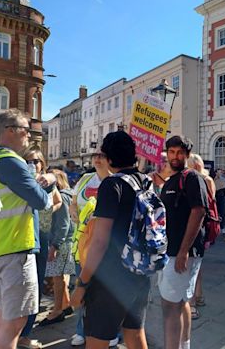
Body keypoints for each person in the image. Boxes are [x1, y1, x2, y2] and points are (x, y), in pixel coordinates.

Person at [70, 131, 150, 349]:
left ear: (109, 157)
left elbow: (99, 241)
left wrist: (82, 283)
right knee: (135, 335)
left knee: (97, 340)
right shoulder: (144, 181)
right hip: (139, 272)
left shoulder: (111, 185)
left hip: (111, 277)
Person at [0, 109, 57, 349]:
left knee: (2, 318)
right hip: (15, 248)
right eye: (26, 130)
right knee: (14, 321)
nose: (29, 136)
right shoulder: (9, 161)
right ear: (10, 131)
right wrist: (50, 181)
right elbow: (41, 201)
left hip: (1, 246)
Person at [159, 135, 208, 349]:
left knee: (170, 307)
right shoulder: (172, 180)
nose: (175, 156)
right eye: (171, 152)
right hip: (169, 250)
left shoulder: (192, 178)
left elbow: (198, 212)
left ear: (187, 155)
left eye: (180, 152)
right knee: (180, 302)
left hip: (181, 252)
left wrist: (183, 251)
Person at [68, 150, 115, 347]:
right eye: (95, 155)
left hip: (108, 245)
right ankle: (82, 329)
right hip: (83, 244)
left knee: (107, 292)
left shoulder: (115, 181)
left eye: (103, 155)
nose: (98, 158)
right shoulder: (86, 178)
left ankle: (111, 332)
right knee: (83, 288)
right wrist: (74, 215)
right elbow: (73, 201)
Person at [18, 147, 62, 349]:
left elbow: (58, 201)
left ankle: (25, 333)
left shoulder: (47, 183)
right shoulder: (21, 180)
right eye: (29, 160)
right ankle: (17, 332)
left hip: (42, 237)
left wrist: (46, 212)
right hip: (21, 237)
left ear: (43, 163)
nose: (33, 164)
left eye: (36, 161)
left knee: (35, 286)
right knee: (20, 288)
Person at [39, 169, 76, 326]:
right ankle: (66, 304)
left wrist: (55, 245)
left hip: (60, 242)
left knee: (58, 277)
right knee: (61, 275)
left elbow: (63, 224)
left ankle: (57, 310)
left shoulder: (61, 198)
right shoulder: (69, 195)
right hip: (66, 241)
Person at [186, 153, 215, 321]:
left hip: (197, 224)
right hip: (206, 226)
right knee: (198, 261)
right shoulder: (209, 179)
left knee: (192, 263)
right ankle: (199, 294)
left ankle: (192, 303)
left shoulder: (195, 180)